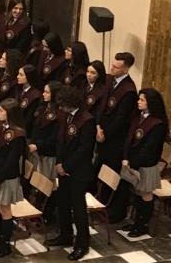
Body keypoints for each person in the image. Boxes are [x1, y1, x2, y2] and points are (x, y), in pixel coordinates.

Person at [46, 86, 94, 261]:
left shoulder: (86, 120)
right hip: (63, 167)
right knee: (63, 203)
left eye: (63, 105)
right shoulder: (65, 115)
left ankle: (82, 243)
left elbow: (84, 149)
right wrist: (59, 162)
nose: (60, 108)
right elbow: (60, 140)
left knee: (78, 208)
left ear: (71, 103)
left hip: (78, 171)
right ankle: (65, 235)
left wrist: (66, 166)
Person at [0, 98, 27, 258]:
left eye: (1, 111)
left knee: (4, 209)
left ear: (10, 113)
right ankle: (0, 236)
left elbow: (11, 161)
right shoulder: (0, 127)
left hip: (7, 177)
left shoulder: (18, 135)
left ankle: (5, 244)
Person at [120, 89, 168, 238]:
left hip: (146, 164)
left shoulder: (158, 124)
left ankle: (142, 225)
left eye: (142, 100)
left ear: (150, 103)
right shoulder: (139, 117)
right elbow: (130, 139)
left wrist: (133, 162)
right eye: (139, 99)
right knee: (137, 192)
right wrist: (126, 157)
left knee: (146, 194)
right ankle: (136, 222)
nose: (138, 102)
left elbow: (150, 148)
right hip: (133, 162)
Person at [96, 52, 138, 223]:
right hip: (103, 133)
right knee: (103, 171)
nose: (112, 68)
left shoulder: (129, 90)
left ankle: (116, 211)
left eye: (116, 67)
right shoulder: (110, 80)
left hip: (115, 140)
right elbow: (102, 105)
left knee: (114, 175)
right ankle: (103, 203)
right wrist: (98, 126)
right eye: (112, 65)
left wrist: (105, 133)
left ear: (126, 68)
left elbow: (121, 119)